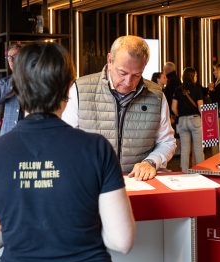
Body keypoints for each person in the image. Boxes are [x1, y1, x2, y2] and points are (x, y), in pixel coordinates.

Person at [0, 43, 135, 262]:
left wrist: (18, 224)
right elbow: (121, 240)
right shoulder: (97, 149)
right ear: (67, 88)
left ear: (17, 89)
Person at [62, 35, 176, 181]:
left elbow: (167, 141)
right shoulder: (79, 90)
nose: (128, 82)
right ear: (110, 60)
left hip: (139, 183)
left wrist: (151, 162)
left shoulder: (157, 95)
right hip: (91, 183)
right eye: (122, 73)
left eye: (136, 75)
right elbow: (64, 140)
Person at [171, 67, 204, 172]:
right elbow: (200, 107)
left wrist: (180, 114)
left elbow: (173, 107)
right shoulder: (197, 89)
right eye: (196, 75)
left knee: (185, 149)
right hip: (195, 120)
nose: (196, 77)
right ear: (192, 76)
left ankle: (184, 171)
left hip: (182, 121)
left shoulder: (178, 89)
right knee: (198, 148)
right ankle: (201, 172)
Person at [0, 43, 22, 136]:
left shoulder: (34, 80)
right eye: (9, 58)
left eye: (15, 57)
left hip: (26, 132)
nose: (11, 61)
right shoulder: (5, 81)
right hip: (8, 132)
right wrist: (15, 76)